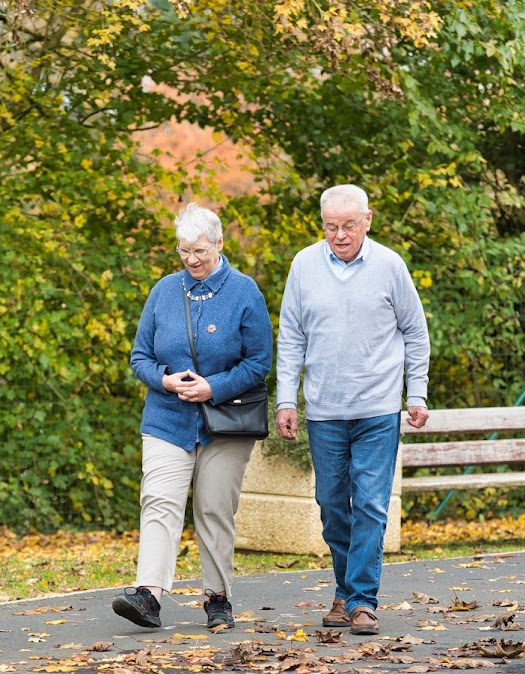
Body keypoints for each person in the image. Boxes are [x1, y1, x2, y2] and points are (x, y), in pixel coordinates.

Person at [275, 184, 430, 635]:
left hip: (378, 409)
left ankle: (362, 600)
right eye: (330, 226)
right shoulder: (304, 265)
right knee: (331, 505)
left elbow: (415, 333)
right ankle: (344, 590)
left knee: (369, 503)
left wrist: (415, 394)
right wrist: (287, 399)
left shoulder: (389, 266)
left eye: (347, 225)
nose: (339, 235)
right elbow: (291, 338)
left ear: (368, 220)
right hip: (324, 410)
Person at [114, 202, 273, 630]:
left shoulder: (245, 292)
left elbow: (259, 362)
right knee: (159, 501)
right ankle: (148, 596)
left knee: (214, 508)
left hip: (227, 423)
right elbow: (139, 357)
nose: (191, 259)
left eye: (200, 250)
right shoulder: (164, 291)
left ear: (219, 243)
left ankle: (217, 597)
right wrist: (165, 380)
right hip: (167, 418)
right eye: (184, 251)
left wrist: (213, 387)